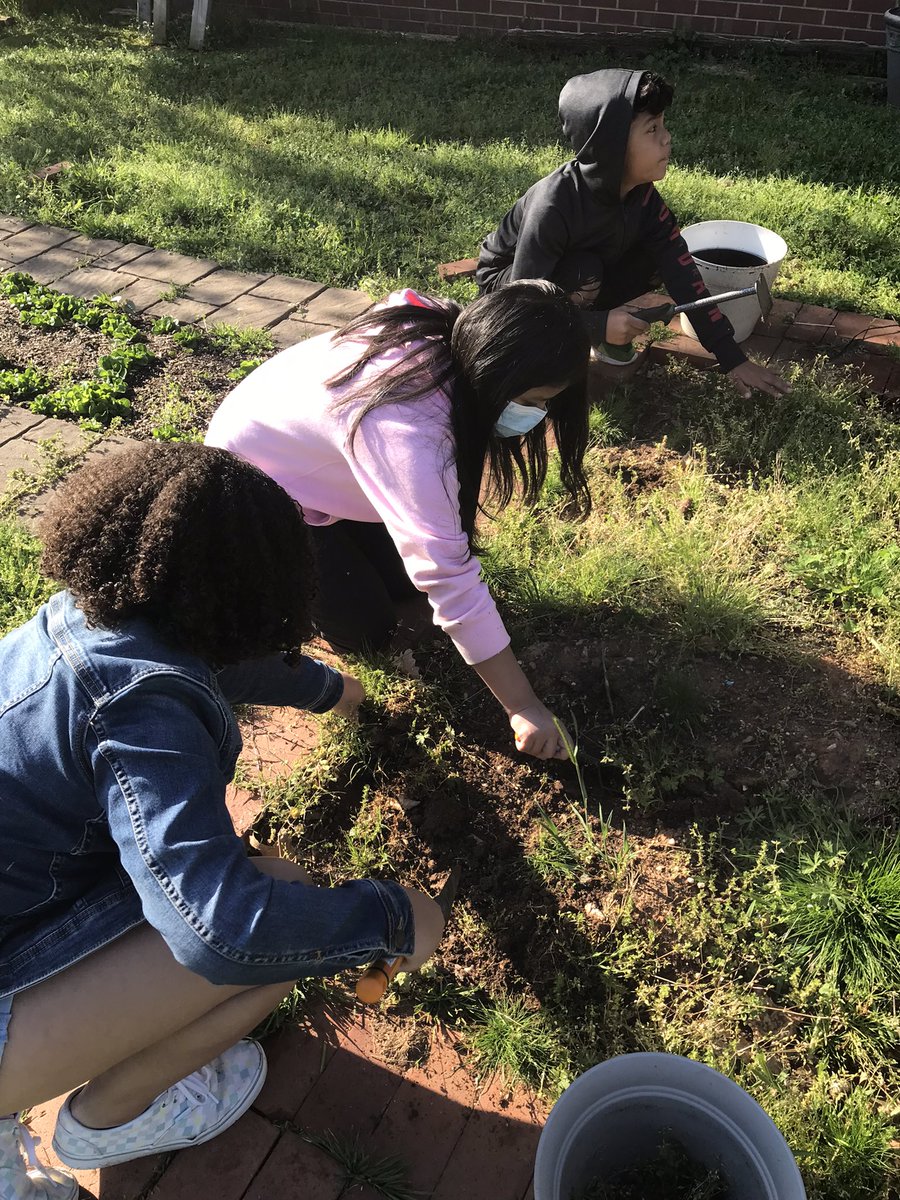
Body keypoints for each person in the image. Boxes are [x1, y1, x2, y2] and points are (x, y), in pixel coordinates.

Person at [0, 443, 445, 1199]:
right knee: (275, 912)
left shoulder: (102, 612)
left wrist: (334, 692)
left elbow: (219, 650)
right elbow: (221, 931)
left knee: (259, 891)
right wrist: (393, 919)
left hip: (20, 905)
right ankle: (110, 1117)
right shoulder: (141, 709)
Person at [206, 279, 592, 763]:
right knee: (367, 631)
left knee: (405, 587)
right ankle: (282, 575)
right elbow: (448, 574)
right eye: (533, 400)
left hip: (316, 456)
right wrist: (523, 705)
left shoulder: (454, 336)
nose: (537, 415)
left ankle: (339, 532)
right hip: (257, 483)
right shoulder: (409, 429)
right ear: (496, 372)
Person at [476, 68, 791, 401]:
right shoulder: (552, 206)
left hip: (581, 267)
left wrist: (732, 358)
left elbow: (683, 272)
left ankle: (593, 325)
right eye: (652, 129)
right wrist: (596, 325)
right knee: (585, 273)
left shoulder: (644, 198)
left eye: (664, 125)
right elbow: (523, 303)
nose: (667, 137)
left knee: (657, 260)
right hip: (510, 286)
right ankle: (560, 346)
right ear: (611, 146)